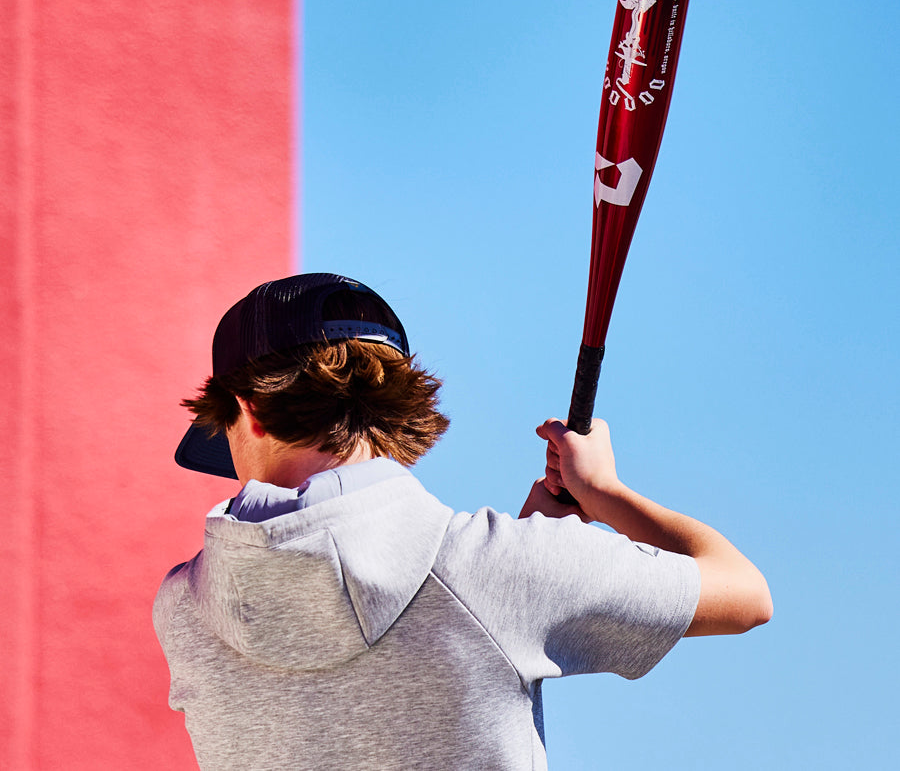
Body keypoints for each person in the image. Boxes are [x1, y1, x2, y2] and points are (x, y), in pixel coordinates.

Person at [154, 272, 772, 771]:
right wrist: (602, 496)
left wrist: (535, 552)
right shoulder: (499, 567)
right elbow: (745, 595)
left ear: (250, 410)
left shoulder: (183, 610)